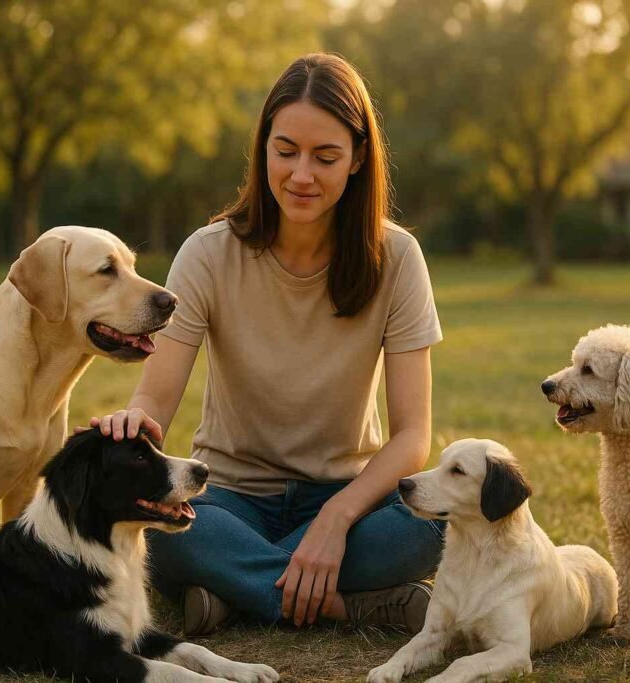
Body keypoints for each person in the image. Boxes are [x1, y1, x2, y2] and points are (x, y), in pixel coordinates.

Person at [83, 53, 444, 637]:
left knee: (439, 524)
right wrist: (132, 422)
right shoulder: (207, 253)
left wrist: (336, 517)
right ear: (263, 149)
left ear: (357, 159)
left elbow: (412, 436)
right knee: (172, 536)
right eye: (285, 151)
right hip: (227, 499)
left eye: (325, 157)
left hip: (351, 498)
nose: (301, 174)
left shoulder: (397, 257)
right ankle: (347, 606)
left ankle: (236, 594)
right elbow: (158, 393)